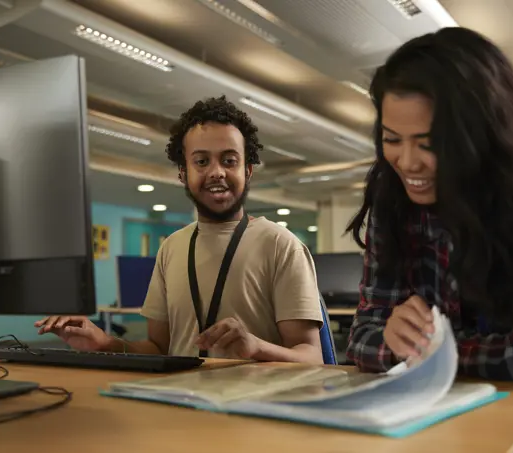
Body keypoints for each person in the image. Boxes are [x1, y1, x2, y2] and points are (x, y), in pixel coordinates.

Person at [345, 27, 513, 453]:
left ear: (479, 133)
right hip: (455, 394)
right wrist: (392, 338)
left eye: (429, 143)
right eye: (392, 140)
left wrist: (435, 351)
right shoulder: (392, 191)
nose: (407, 161)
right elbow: (363, 334)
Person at [36, 95, 324, 364]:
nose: (216, 172)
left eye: (229, 160)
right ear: (183, 174)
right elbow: (158, 349)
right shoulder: (172, 248)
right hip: (180, 405)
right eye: (201, 161)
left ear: (247, 170)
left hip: (254, 411)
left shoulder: (281, 245)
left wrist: (256, 347)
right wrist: (103, 342)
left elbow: (312, 358)